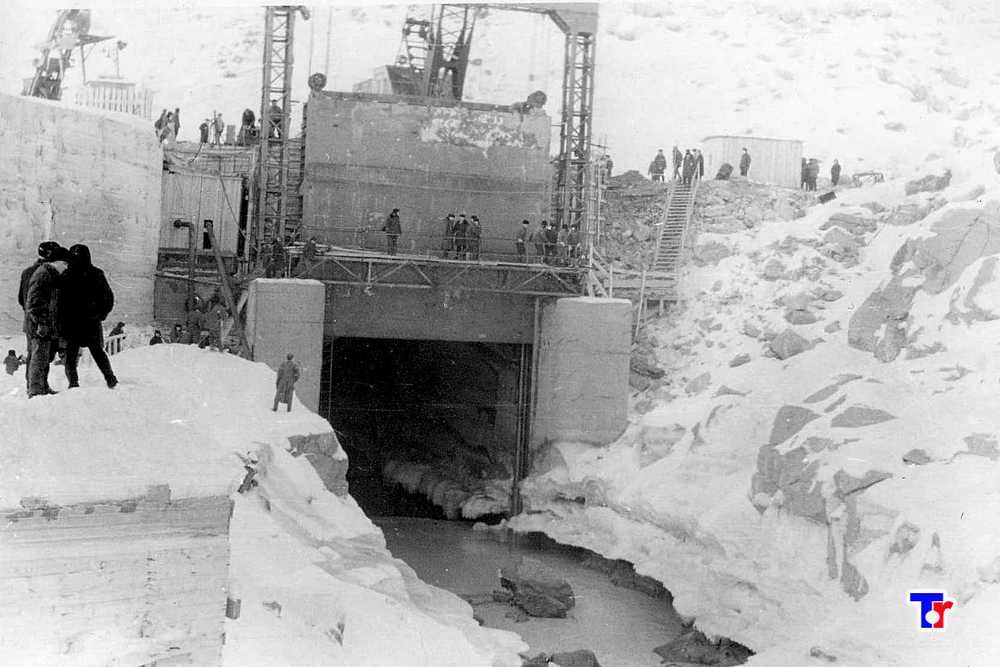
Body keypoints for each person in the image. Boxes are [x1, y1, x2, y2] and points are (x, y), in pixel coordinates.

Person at [58, 244, 119, 390]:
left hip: (73, 323)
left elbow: (59, 302)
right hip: (90, 322)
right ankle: (110, 379)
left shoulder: (66, 275)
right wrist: (100, 314)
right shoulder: (96, 274)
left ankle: (73, 383)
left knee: (71, 356)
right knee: (97, 353)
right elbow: (108, 298)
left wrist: (62, 321)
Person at [25, 246, 71, 397]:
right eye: (65, 264)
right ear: (57, 262)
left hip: (44, 325)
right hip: (39, 326)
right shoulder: (44, 274)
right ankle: (36, 391)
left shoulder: (50, 274)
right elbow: (33, 303)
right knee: (38, 358)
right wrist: (42, 322)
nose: (66, 268)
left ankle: (43, 387)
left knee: (43, 358)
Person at [19, 241, 63, 393]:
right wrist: (42, 318)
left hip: (30, 320)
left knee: (34, 354)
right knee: (41, 356)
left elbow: (21, 299)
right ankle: (37, 389)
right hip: (41, 320)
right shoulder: (47, 272)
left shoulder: (27, 272)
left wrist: (29, 312)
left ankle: (34, 386)